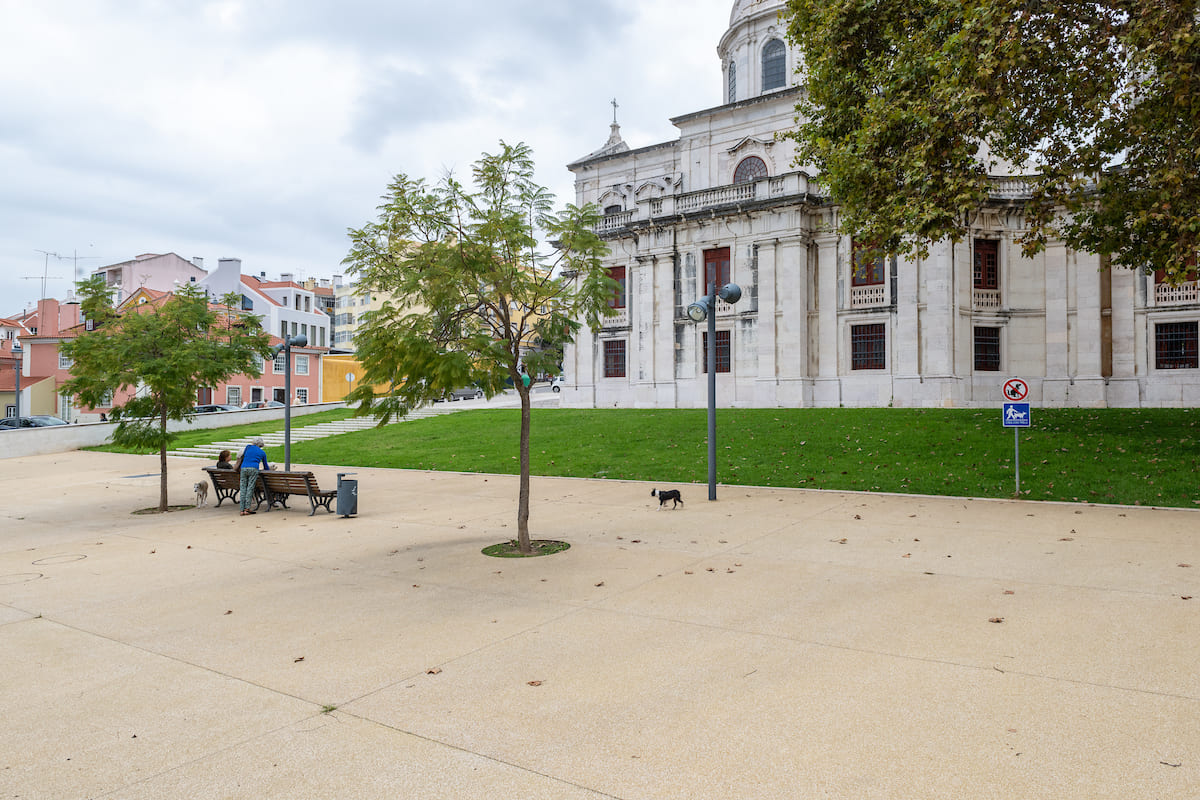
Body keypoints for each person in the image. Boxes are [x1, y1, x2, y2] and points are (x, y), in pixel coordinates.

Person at [234, 437, 270, 516]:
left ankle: (241, 509)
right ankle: (247, 509)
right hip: (254, 468)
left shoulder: (248, 447)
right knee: (250, 488)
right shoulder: (262, 452)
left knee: (243, 488)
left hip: (244, 468)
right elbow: (266, 467)